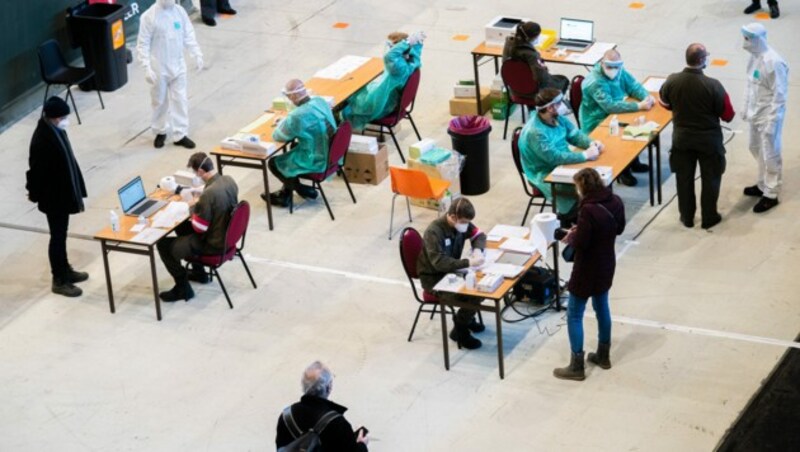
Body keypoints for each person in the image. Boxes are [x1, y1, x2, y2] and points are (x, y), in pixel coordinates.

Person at [553, 168, 625, 381]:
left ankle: (576, 366)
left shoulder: (588, 210)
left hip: (586, 268)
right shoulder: (616, 201)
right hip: (607, 263)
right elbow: (619, 229)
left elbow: (583, 242)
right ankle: (603, 355)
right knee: (602, 306)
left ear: (583, 187)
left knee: (574, 313)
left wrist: (571, 237)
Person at [659, 43, 735, 229]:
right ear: (701, 60)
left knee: (683, 179)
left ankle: (687, 217)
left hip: (682, 140)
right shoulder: (714, 85)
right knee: (711, 179)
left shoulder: (672, 81)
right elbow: (728, 115)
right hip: (709, 142)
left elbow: (664, 103)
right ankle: (709, 217)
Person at [26, 97, 89, 298]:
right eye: (63, 117)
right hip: (54, 198)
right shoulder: (41, 140)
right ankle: (59, 279)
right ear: (53, 117)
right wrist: (35, 194)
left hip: (62, 193)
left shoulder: (55, 130)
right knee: (57, 237)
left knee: (61, 234)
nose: (65, 120)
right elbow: (36, 172)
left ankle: (65, 270)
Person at [156, 153, 238, 302]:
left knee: (162, 244)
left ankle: (183, 289)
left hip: (213, 244)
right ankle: (199, 273)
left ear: (200, 172)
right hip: (226, 236)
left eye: (195, 172)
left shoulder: (208, 195)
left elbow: (199, 228)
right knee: (181, 229)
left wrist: (194, 207)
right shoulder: (229, 180)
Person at [519, 87, 604, 221]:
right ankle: (569, 218)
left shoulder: (558, 118)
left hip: (564, 163)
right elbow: (554, 158)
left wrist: (591, 143)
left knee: (595, 181)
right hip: (544, 172)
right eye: (559, 103)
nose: (563, 105)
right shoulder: (535, 132)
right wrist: (584, 156)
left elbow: (575, 136)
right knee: (586, 186)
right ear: (551, 108)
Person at [417, 198, 487, 349]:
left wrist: (477, 250)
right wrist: (468, 263)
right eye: (464, 221)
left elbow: (479, 235)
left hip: (451, 272)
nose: (466, 225)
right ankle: (460, 329)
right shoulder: (434, 232)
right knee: (473, 296)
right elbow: (439, 263)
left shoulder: (461, 223)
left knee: (482, 288)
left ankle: (467, 318)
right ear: (453, 217)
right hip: (434, 279)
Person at [580, 49, 654, 186]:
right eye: (610, 67)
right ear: (602, 63)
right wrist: (638, 106)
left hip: (616, 112)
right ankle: (623, 171)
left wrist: (646, 97)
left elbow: (633, 86)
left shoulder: (619, 70)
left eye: (616, 66)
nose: (614, 70)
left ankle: (634, 162)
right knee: (619, 137)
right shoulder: (595, 82)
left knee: (635, 127)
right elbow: (609, 106)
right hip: (597, 119)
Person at [137, 0, 204, 150]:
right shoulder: (149, 17)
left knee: (180, 99)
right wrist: (146, 67)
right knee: (159, 100)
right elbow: (143, 43)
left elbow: (188, 34)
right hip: (159, 66)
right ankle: (160, 131)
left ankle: (180, 134)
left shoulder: (179, 12)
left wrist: (196, 52)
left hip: (178, 64)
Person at [261, 80, 337, 207]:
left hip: (316, 158)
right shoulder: (320, 101)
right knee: (294, 146)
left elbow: (279, 136)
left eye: (289, 97)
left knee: (274, 163)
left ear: (293, 96)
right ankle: (285, 194)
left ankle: (301, 189)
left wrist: (282, 123)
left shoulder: (297, 116)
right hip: (331, 150)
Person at [741, 23, 788, 213]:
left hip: (768, 117)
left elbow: (780, 96)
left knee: (770, 155)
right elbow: (750, 85)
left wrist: (772, 122)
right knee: (755, 148)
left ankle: (771, 193)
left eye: (747, 39)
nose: (744, 43)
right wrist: (745, 108)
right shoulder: (754, 58)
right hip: (755, 115)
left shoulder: (774, 62)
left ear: (758, 40)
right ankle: (761, 184)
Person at [276, 361, 369, 451]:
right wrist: (362, 444)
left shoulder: (286, 416)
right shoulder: (338, 424)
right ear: (328, 387)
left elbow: (281, 448)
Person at [342, 31, 424, 131]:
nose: (388, 49)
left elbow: (389, 56)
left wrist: (406, 43)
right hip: (389, 102)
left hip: (379, 106)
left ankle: (341, 132)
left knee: (346, 100)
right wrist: (416, 44)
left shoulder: (398, 68)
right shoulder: (411, 62)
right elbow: (415, 52)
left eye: (391, 46)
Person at [502, 21, 569, 96]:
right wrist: (544, 67)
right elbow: (541, 79)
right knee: (563, 80)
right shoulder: (531, 55)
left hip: (514, 89)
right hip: (533, 92)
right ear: (531, 38)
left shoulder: (509, 45)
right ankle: (554, 105)